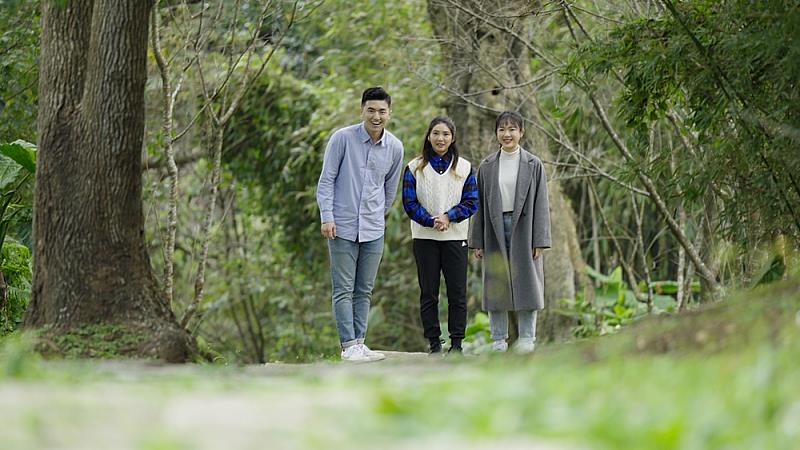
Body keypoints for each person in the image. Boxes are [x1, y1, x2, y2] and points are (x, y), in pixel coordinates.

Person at [316, 87, 404, 362]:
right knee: (343, 288)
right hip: (340, 225)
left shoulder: (395, 147)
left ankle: (360, 343)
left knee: (364, 289)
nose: (376, 116)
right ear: (362, 110)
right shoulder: (342, 139)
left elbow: (390, 190)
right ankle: (348, 346)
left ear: (389, 113)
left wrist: (377, 215)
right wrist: (327, 216)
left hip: (373, 228)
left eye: (382, 111)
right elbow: (326, 180)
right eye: (371, 110)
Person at [468, 111, 551, 354]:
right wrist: (477, 240)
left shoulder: (534, 165)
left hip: (524, 228)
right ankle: (498, 339)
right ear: (496, 134)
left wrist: (540, 239)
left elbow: (541, 204)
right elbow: (479, 205)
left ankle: (527, 338)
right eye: (502, 129)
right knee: (497, 281)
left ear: (521, 132)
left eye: (512, 129)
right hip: (494, 227)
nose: (507, 134)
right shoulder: (486, 166)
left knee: (528, 282)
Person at [402, 117, 478, 355]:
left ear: (452, 138)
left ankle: (456, 344)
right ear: (428, 136)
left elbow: (472, 201)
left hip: (455, 238)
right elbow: (409, 202)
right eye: (436, 133)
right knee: (428, 293)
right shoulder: (414, 167)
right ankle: (434, 344)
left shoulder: (464, 168)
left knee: (457, 294)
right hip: (425, 238)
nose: (440, 138)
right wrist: (431, 220)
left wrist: (448, 216)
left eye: (445, 134)